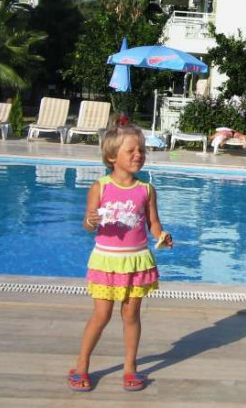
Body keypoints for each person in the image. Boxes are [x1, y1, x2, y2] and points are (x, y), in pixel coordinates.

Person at [69, 117, 173, 393]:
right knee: (101, 314)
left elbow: (153, 224)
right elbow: (88, 225)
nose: (139, 154)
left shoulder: (146, 190)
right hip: (107, 260)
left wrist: (162, 236)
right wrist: (90, 220)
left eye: (141, 150)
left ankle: (130, 367)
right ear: (112, 157)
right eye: (132, 151)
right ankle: (82, 364)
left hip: (136, 260)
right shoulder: (100, 187)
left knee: (131, 315)